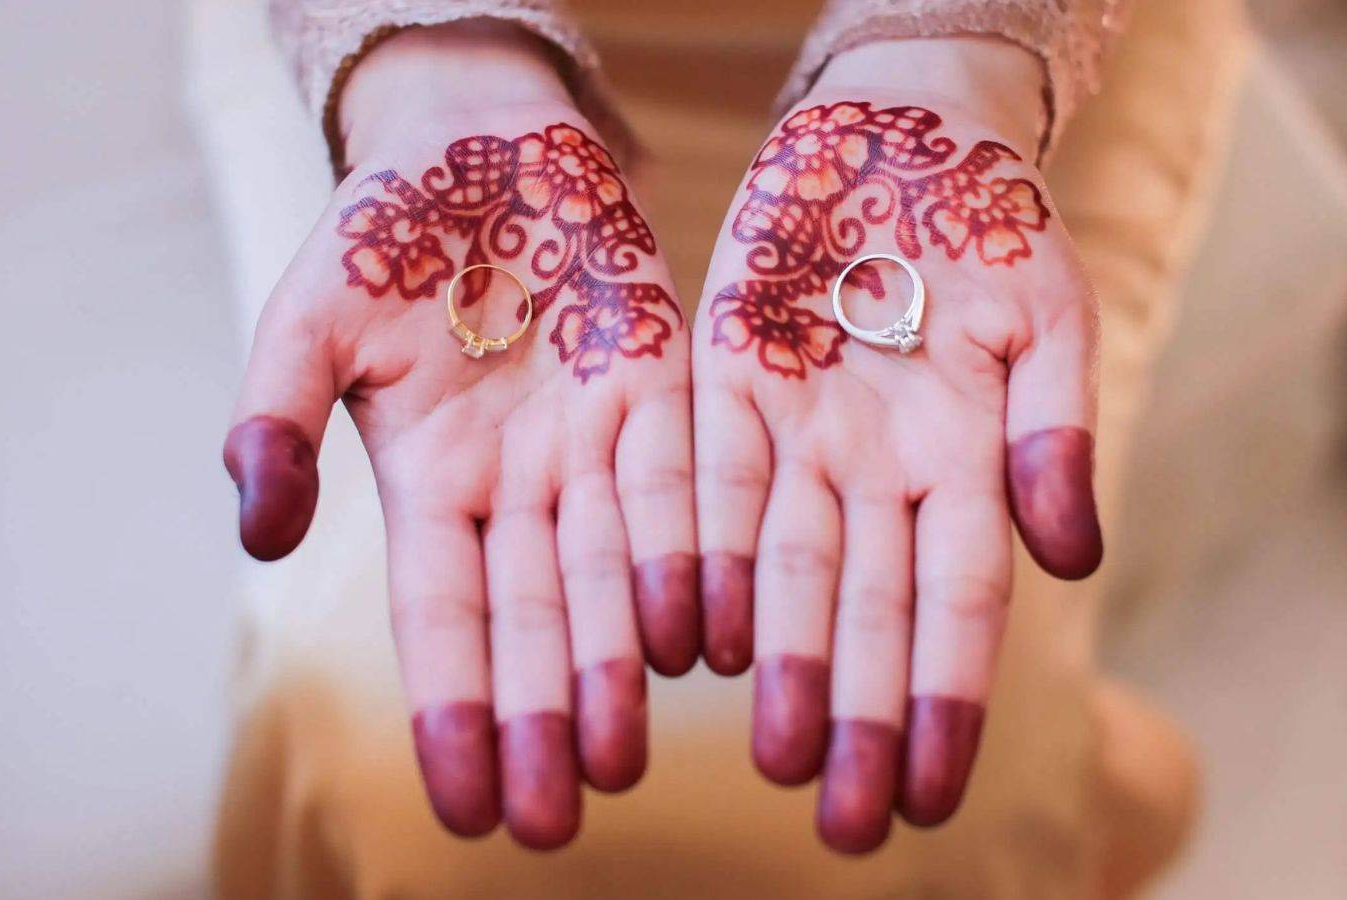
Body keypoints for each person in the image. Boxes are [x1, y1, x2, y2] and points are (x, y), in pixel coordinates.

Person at [214, 0, 1237, 895]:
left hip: (973, 72)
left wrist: (961, 53)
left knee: (967, 775)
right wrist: (428, 61)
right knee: (375, 756)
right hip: (431, 78)